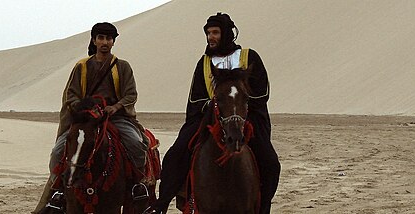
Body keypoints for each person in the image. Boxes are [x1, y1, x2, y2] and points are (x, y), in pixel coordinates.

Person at [145, 13, 281, 214]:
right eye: (208, 33)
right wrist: (213, 106)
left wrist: (238, 108)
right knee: (176, 154)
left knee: (270, 161)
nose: (211, 37)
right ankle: (162, 204)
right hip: (209, 118)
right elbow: (195, 98)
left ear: (227, 33)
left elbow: (261, 92)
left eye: (215, 32)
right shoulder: (205, 62)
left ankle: (263, 206)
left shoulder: (248, 57)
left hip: (246, 116)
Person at [32, 22, 148, 213]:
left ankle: (137, 185)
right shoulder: (82, 67)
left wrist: (115, 107)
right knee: (58, 152)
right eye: (101, 38)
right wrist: (85, 108)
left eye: (109, 38)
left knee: (136, 143)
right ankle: (59, 190)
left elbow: (130, 94)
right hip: (87, 119)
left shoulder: (122, 66)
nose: (105, 42)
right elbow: (71, 95)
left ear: (113, 42)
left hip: (115, 118)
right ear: (94, 40)